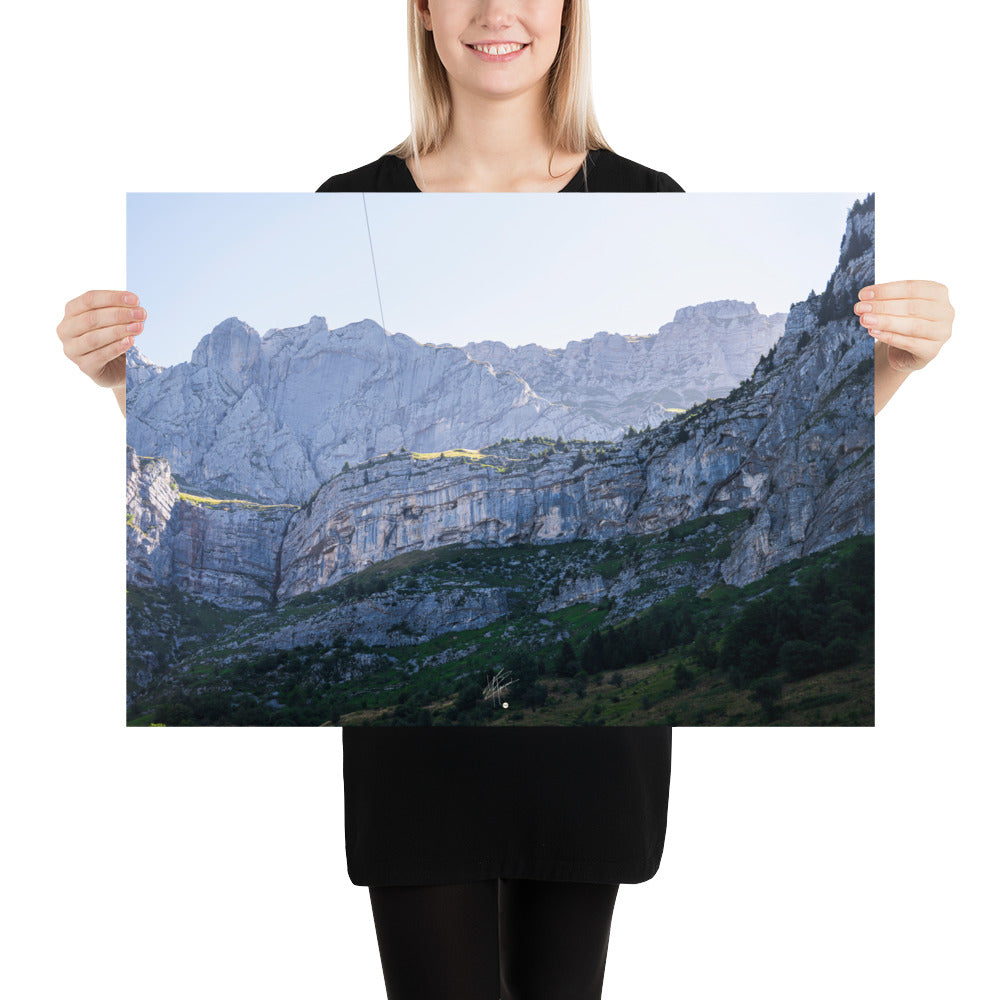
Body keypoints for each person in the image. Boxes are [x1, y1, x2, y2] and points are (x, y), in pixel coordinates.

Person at [55, 2, 954, 997]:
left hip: (587, 761)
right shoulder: (346, 196)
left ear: (570, 13)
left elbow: (779, 455)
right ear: (424, 12)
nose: (496, 11)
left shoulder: (645, 197)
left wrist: (894, 367)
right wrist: (120, 389)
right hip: (417, 764)